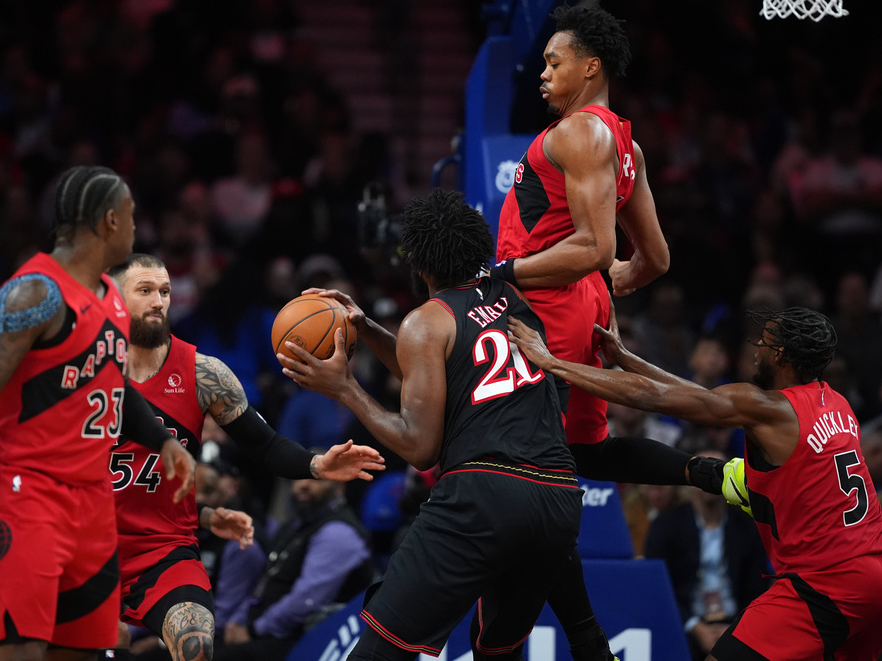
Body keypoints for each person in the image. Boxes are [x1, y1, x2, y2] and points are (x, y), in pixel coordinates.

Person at [490, 3, 734, 658]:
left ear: (589, 66)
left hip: (542, 314)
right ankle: (708, 470)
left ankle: (588, 641)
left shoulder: (579, 134)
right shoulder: (625, 143)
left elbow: (597, 246)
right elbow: (651, 259)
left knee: (528, 471)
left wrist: (504, 271)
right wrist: (605, 288)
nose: (542, 74)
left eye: (553, 61)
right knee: (581, 455)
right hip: (579, 306)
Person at [277, 189, 584, 660]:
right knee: (495, 653)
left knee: (379, 653)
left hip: (484, 493)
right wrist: (365, 327)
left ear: (420, 266)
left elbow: (420, 448)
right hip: (557, 498)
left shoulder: (427, 322)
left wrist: (345, 388)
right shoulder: (513, 299)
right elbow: (445, 373)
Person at [509, 306, 882, 660]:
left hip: (832, 580)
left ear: (781, 355)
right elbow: (699, 395)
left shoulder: (772, 409)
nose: (754, 348)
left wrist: (553, 362)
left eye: (763, 342)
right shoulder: (838, 403)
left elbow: (658, 399)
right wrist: (626, 358)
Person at [0, 165, 197, 661]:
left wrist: (164, 441)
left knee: (89, 647)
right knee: (21, 651)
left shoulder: (112, 297)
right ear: (110, 221)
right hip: (26, 496)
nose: (137, 228)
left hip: (91, 501)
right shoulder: (33, 293)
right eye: (132, 217)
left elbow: (113, 384)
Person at [105, 253, 385, 661]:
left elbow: (265, 445)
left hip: (163, 553)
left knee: (198, 643)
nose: (159, 301)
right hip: (88, 548)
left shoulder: (205, 374)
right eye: (145, 290)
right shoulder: (79, 374)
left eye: (165, 291)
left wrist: (317, 465)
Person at [215, 471, 374, 661]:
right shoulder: (295, 524)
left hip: (302, 639)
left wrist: (253, 630)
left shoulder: (338, 533)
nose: (303, 485)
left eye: (317, 480)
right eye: (300, 476)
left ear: (340, 487)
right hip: (264, 628)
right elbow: (265, 581)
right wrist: (238, 621)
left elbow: (307, 599)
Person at [643, 449, 770, 660]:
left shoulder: (747, 526)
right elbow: (656, 584)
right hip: (684, 624)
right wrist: (695, 626)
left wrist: (737, 628)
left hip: (737, 622)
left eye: (720, 471)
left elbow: (757, 587)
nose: (712, 479)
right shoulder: (666, 524)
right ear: (691, 480)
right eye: (706, 471)